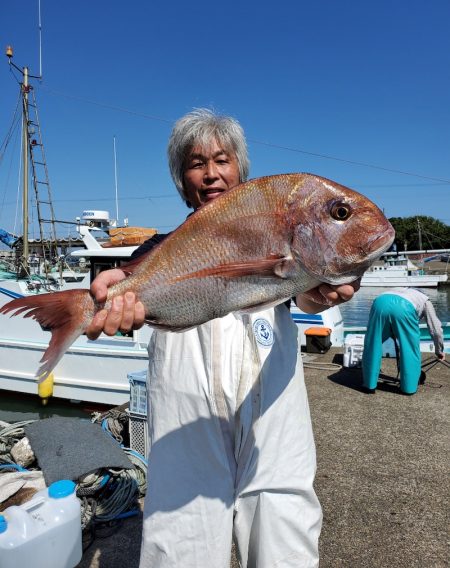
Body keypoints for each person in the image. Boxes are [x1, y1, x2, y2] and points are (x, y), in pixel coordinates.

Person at [86, 109, 360, 567]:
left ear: (240, 170)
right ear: (181, 178)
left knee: (282, 524)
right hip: (184, 416)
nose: (211, 173)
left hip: (270, 412)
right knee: (181, 531)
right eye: (196, 163)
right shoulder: (157, 250)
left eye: (222, 160)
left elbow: (309, 297)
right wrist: (116, 303)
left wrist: (328, 291)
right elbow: (132, 290)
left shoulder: (277, 239)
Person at [362, 287, 445, 395]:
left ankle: (369, 384)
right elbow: (435, 328)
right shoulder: (425, 300)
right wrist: (439, 350)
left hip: (379, 302)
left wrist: (390, 330)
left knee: (373, 343)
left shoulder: (394, 290)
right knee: (409, 348)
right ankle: (408, 388)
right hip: (405, 308)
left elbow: (382, 321)